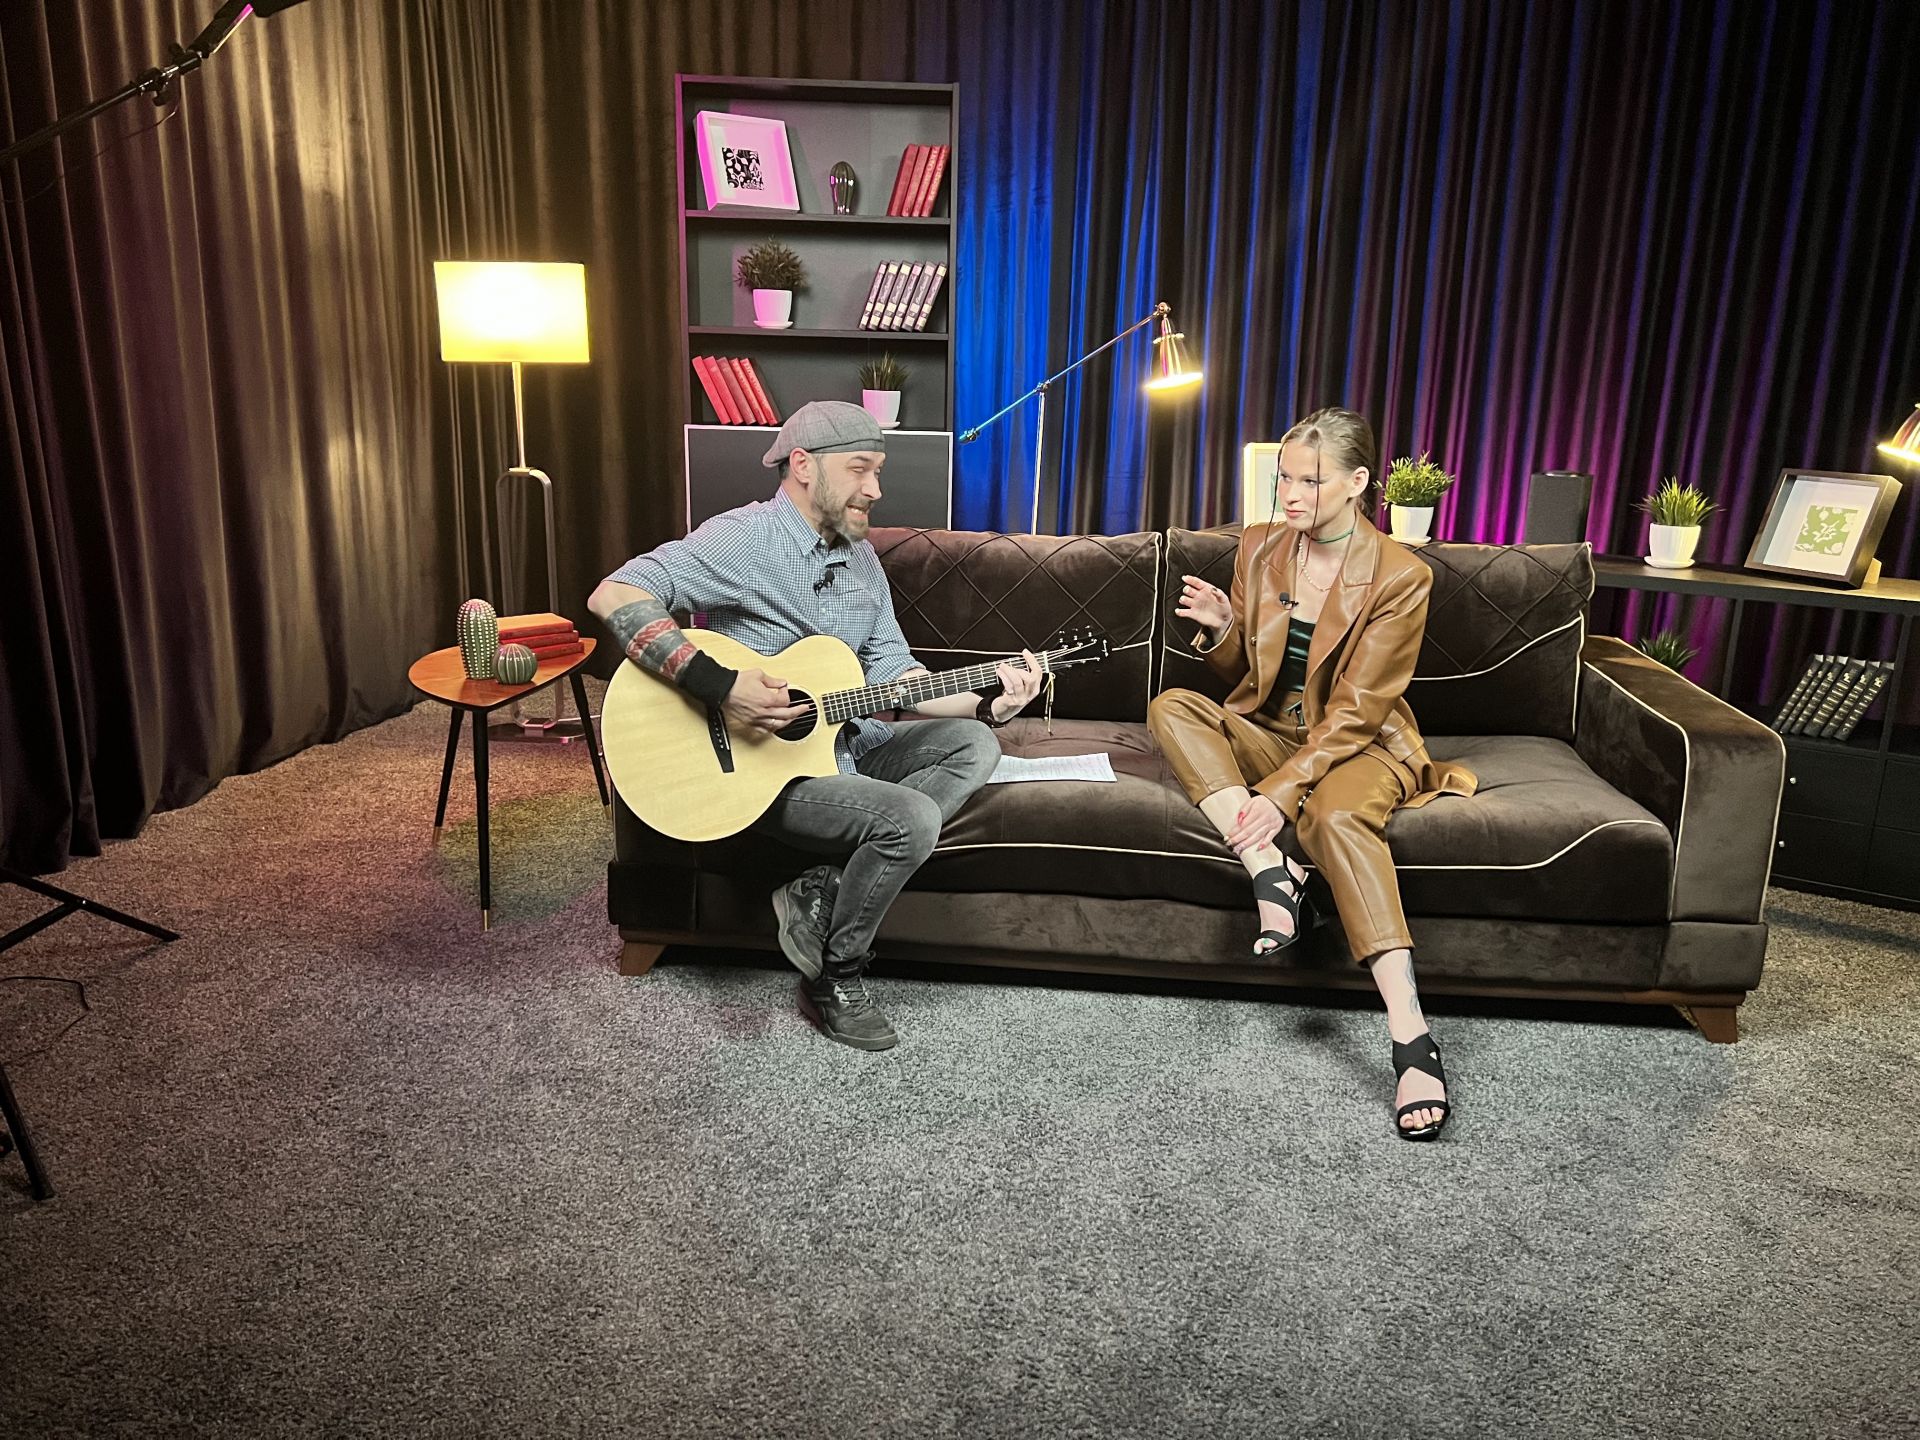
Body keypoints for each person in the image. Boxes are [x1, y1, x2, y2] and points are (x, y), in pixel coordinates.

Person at [589, 401, 1044, 1052]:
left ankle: (821, 888)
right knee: (910, 819)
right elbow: (615, 594)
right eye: (860, 469)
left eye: (878, 470)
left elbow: (898, 677)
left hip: (842, 747)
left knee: (974, 743)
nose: (876, 489)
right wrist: (722, 687)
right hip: (759, 773)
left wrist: (987, 703)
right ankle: (836, 975)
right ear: (802, 465)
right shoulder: (742, 540)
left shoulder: (862, 561)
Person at [1147, 407, 1476, 1139]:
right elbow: (1248, 677)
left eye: (1311, 481)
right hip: (1272, 732)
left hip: (1361, 746)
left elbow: (1357, 714)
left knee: (1334, 816)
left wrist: (1277, 794)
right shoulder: (1260, 546)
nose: (1292, 495)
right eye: (1285, 479)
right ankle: (1269, 869)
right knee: (1173, 706)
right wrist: (1223, 630)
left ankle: (1411, 1035)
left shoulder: (1402, 575)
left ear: (1358, 482)